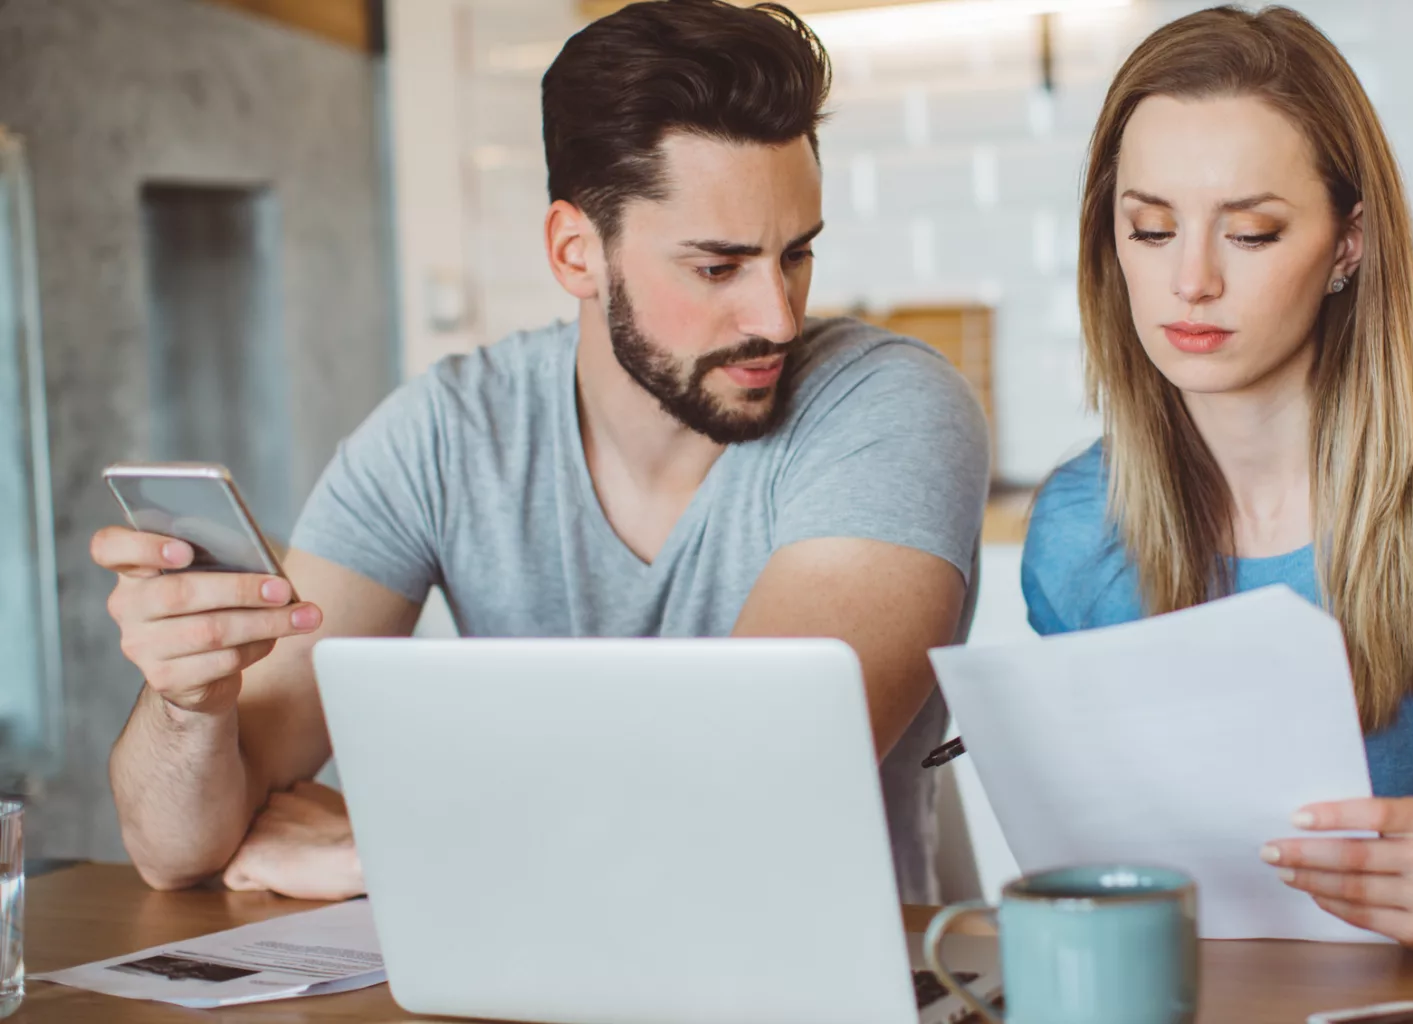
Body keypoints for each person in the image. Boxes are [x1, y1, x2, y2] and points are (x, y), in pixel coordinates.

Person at [94, 0, 988, 905]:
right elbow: (177, 853)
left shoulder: (888, 406)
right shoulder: (446, 433)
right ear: (575, 252)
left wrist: (392, 855)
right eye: (717, 268)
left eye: (795, 255)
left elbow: (753, 791)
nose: (778, 317)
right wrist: (190, 702)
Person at [1020, 6, 1413, 948]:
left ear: (1347, 244)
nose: (1191, 281)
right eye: (1149, 229)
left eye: (1252, 234)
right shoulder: (1076, 525)